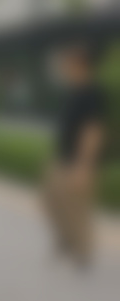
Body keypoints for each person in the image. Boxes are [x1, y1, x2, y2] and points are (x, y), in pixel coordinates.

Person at [44, 40, 106, 267]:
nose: (65, 68)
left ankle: (82, 253)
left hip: (77, 163)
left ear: (81, 65)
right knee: (53, 201)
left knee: (77, 209)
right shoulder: (74, 92)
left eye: (69, 63)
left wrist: (84, 166)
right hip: (63, 160)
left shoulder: (91, 93)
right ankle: (67, 241)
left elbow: (93, 130)